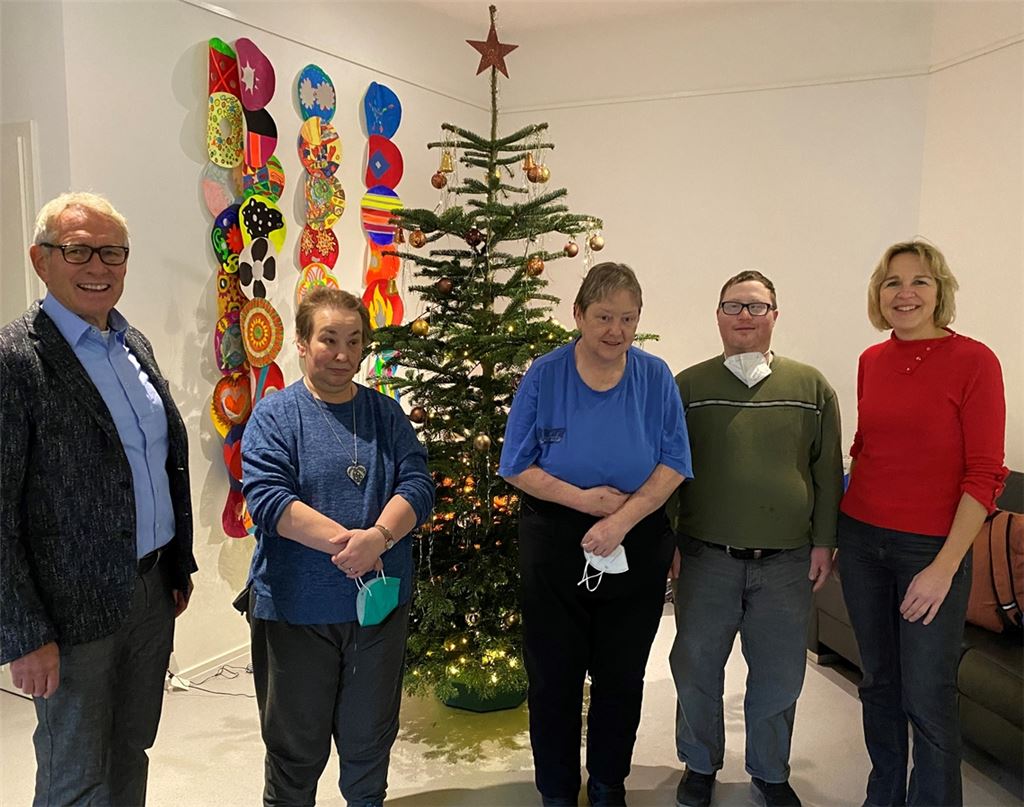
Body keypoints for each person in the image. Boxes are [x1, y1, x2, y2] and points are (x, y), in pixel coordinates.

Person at [0, 192, 197, 805]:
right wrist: (23, 632)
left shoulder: (134, 344)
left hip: (150, 590)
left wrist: (176, 566)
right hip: (69, 612)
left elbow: (160, 463)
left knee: (131, 749)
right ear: (41, 260)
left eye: (113, 252)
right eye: (78, 250)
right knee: (76, 773)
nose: (98, 266)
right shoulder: (15, 361)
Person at [500, 262, 692, 807]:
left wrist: (619, 521)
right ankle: (558, 789)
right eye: (604, 317)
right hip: (555, 538)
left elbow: (675, 463)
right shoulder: (545, 375)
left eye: (628, 319)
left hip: (637, 535)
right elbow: (516, 465)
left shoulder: (655, 377)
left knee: (621, 675)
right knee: (553, 675)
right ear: (579, 314)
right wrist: (585, 502)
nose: (616, 330)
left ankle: (608, 782)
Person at [241, 287, 435, 807]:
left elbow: (417, 485)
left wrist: (379, 538)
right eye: (328, 339)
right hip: (296, 608)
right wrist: (352, 547)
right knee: (294, 751)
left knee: (370, 740)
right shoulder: (275, 416)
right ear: (302, 343)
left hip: (378, 608)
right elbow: (268, 500)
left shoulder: (385, 415)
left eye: (354, 341)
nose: (343, 354)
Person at [838, 241, 1006, 807]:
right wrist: (837, 533)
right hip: (861, 542)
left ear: (940, 292)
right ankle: (883, 796)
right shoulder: (871, 360)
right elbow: (865, 449)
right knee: (878, 684)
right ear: (878, 293)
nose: (904, 293)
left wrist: (943, 568)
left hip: (931, 551)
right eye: (892, 282)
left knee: (928, 696)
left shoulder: (975, 361)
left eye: (920, 281)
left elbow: (984, 475)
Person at [669, 270, 843, 807]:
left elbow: (827, 471)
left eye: (756, 306)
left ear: (775, 315)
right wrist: (668, 541)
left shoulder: (812, 388)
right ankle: (699, 764)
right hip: (706, 557)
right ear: (718, 316)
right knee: (696, 668)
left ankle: (770, 771)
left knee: (780, 674)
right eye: (733, 306)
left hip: (786, 562)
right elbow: (668, 469)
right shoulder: (687, 387)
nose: (744, 316)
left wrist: (824, 541)